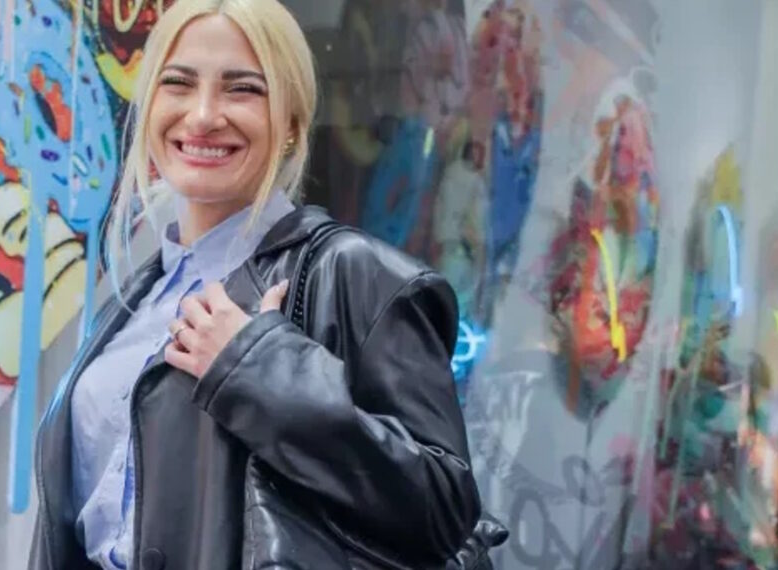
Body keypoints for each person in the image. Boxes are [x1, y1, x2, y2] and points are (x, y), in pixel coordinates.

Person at [30, 1, 487, 568]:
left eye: (242, 89)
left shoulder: (350, 274)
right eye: (178, 83)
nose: (203, 115)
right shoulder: (130, 305)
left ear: (291, 123)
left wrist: (261, 371)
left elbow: (444, 510)